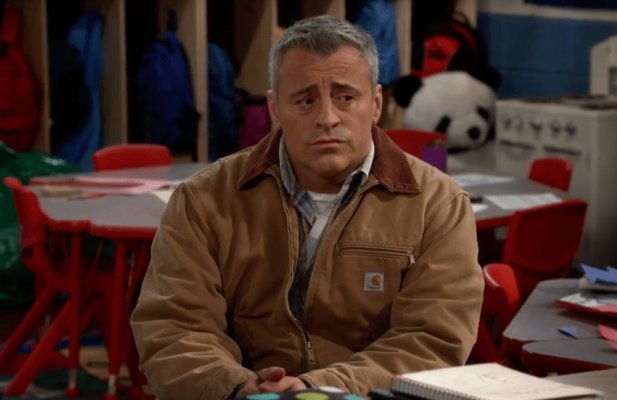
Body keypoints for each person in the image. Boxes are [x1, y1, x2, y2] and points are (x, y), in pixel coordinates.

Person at [130, 14, 483, 400]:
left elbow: (431, 341)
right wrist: (236, 386)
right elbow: (174, 328)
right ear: (274, 108)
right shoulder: (203, 200)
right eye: (305, 100)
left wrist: (316, 390)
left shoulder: (438, 204)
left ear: (376, 104)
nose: (327, 118)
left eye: (346, 98)